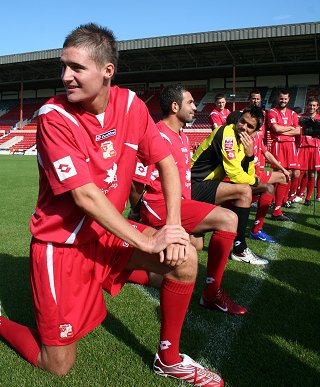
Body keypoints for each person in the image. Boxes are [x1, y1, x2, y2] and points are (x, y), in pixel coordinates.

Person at [0, 24, 224, 387]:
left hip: (105, 232)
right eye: (64, 67)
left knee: (183, 259)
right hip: (62, 248)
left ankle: (168, 358)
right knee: (56, 363)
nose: (65, 77)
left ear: (107, 71)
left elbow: (165, 162)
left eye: (76, 68)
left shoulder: (131, 104)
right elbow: (85, 196)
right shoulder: (52, 117)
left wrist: (174, 226)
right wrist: (148, 241)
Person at [131, 84, 247, 315]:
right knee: (228, 219)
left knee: (192, 251)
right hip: (159, 207)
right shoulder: (155, 135)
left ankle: (127, 270)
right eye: (191, 103)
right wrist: (137, 211)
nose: (196, 107)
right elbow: (136, 181)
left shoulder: (182, 137)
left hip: (180, 205)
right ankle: (212, 294)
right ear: (175, 106)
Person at [191, 105, 269, 265]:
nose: (243, 127)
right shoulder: (226, 133)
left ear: (255, 132)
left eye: (249, 126)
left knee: (195, 245)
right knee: (244, 191)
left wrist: (249, 156)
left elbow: (245, 173)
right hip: (192, 185)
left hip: (204, 187)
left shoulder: (242, 142)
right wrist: (256, 182)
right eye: (242, 121)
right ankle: (240, 247)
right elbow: (236, 175)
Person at [247, 90, 291, 242]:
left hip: (258, 168)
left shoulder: (259, 134)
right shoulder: (246, 132)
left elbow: (266, 153)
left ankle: (275, 210)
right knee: (266, 188)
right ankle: (256, 228)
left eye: (258, 99)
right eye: (253, 98)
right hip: (249, 172)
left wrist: (283, 168)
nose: (256, 101)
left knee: (284, 177)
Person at [267, 89, 301, 220]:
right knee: (281, 175)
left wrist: (283, 130)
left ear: (289, 99)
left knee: (292, 174)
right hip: (279, 146)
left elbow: (298, 130)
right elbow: (275, 129)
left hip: (290, 146)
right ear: (277, 98)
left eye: (285, 99)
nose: (283, 101)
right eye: (281, 98)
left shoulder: (292, 113)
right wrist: (290, 128)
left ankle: (279, 203)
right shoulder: (272, 112)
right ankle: (276, 207)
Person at [294, 97, 320, 206]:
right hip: (302, 148)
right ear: (306, 105)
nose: (312, 107)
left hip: (315, 148)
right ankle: (298, 194)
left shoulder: (319, 118)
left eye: (314, 105)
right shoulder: (300, 117)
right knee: (299, 172)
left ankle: (308, 198)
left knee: (311, 173)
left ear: (317, 107)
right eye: (310, 105)